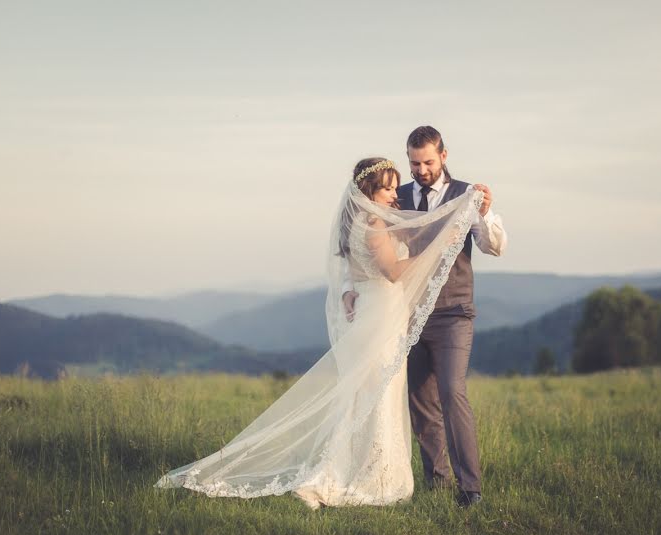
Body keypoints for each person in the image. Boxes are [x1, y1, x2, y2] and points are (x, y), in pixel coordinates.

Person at [155, 157, 485, 509]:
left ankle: (363, 470)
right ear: (367, 191)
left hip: (375, 315)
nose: (393, 195)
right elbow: (392, 271)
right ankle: (375, 479)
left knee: (368, 396)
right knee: (380, 397)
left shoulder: (359, 220)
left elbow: (370, 257)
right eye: (386, 188)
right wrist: (442, 246)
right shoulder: (374, 221)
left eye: (393, 186)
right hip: (381, 320)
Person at [343, 126, 507, 507]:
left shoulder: (467, 195)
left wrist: (483, 214)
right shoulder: (393, 196)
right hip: (404, 312)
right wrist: (352, 288)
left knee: (452, 391)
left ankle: (471, 489)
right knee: (420, 400)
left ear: (444, 156)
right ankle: (437, 482)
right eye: (414, 163)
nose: (420, 170)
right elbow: (365, 246)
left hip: (453, 311)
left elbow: (493, 246)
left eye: (428, 162)